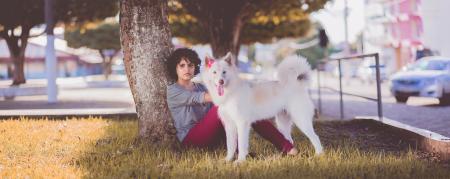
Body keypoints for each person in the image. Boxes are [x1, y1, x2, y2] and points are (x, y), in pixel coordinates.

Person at [166, 48, 297, 155]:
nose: (187, 69)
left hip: (212, 136)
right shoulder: (173, 91)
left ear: (195, 67)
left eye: (190, 65)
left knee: (248, 109)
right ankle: (241, 152)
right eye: (182, 66)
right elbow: (213, 98)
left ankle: (287, 147)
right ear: (175, 68)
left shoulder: (200, 86)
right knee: (223, 106)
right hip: (192, 140)